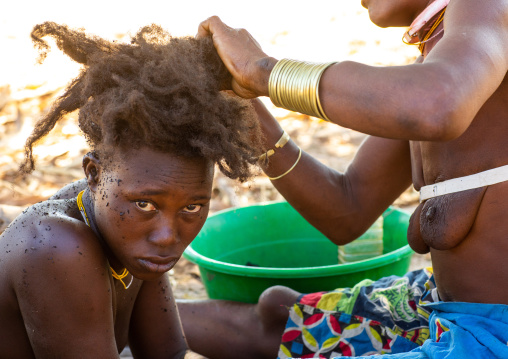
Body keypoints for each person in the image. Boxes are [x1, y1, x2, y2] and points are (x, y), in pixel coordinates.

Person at [175, 0, 508, 358]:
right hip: (446, 312)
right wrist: (237, 96)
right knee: (280, 316)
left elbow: (438, 103)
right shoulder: (436, 66)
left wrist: (265, 72)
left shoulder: (489, 8)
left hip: (494, 337)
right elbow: (348, 207)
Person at [0, 22, 264, 358]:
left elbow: (168, 353)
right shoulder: (56, 248)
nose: (168, 236)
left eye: (193, 208)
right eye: (145, 203)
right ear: (94, 173)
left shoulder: (130, 232)